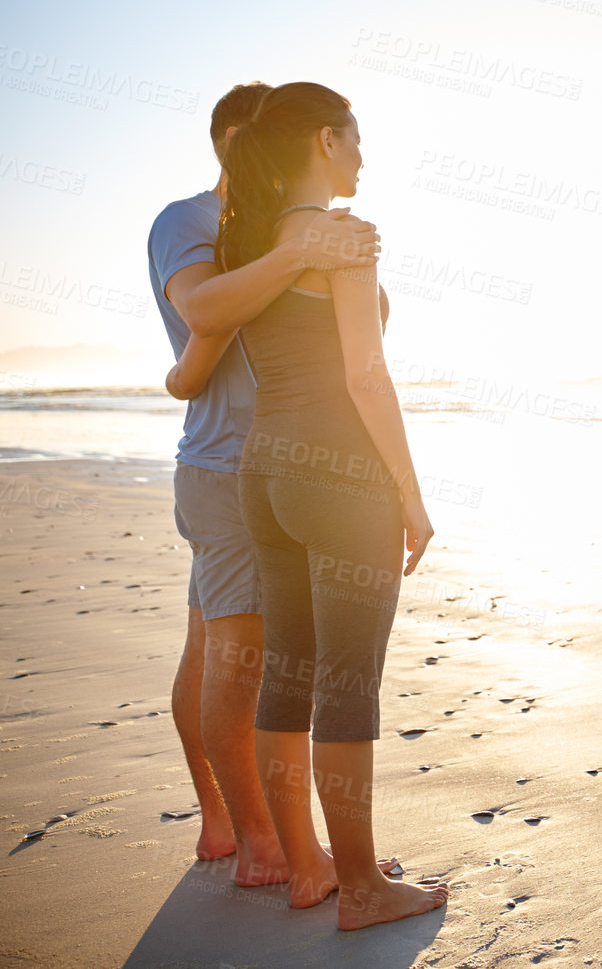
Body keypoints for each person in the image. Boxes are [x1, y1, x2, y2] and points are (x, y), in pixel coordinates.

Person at [208, 80, 447, 930]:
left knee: (289, 674)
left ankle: (309, 862)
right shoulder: (341, 237)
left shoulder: (248, 239)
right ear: (323, 139)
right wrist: (412, 495)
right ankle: (362, 887)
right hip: (339, 477)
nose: (361, 155)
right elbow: (364, 375)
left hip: (264, 472)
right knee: (348, 684)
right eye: (354, 137)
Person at [147, 82, 381, 887]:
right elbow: (206, 320)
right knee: (244, 657)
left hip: (259, 464)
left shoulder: (259, 228)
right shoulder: (196, 222)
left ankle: (239, 830)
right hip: (232, 464)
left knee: (218, 646)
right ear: (234, 138)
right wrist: (301, 254)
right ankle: (264, 843)